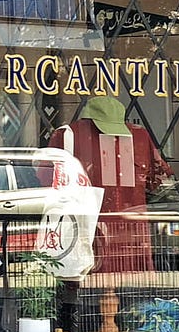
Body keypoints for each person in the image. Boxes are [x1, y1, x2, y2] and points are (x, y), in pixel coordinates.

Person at [47, 95, 171, 273]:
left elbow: (46, 180)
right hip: (95, 227)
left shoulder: (140, 136)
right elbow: (155, 180)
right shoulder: (67, 136)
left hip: (125, 228)